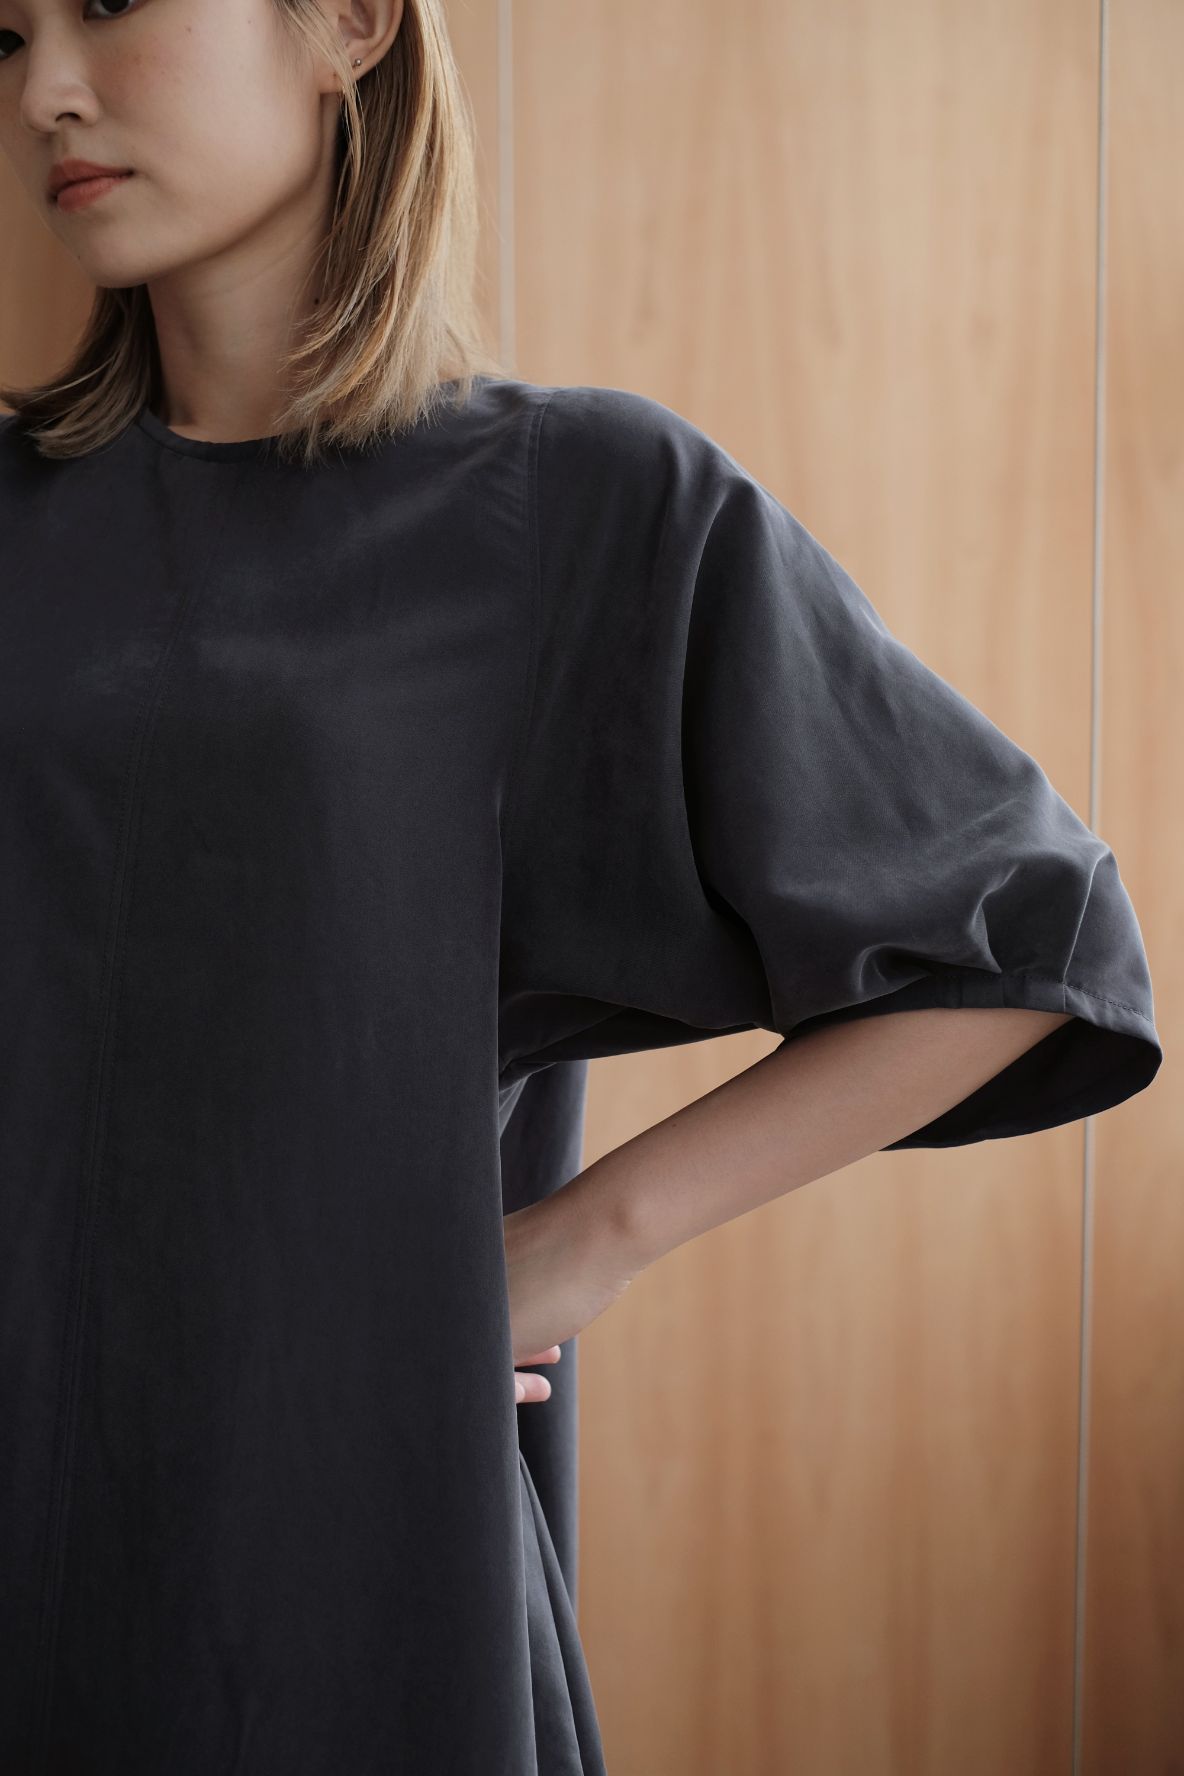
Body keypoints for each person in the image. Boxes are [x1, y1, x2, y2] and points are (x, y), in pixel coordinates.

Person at [0, 0, 1162, 1770]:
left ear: (347, 24)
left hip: (342, 1539)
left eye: (104, 5)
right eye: (4, 39)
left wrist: (577, 1246)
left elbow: (1026, 937)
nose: (44, 92)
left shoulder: (575, 503)